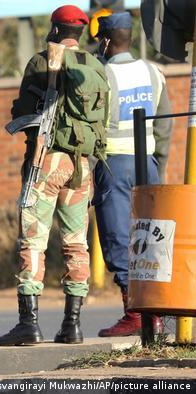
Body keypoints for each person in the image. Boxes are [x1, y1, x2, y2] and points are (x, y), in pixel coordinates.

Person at [0, 5, 109, 346]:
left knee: (33, 240)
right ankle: (72, 324)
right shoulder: (95, 66)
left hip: (47, 159)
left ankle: (28, 324)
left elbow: (23, 110)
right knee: (76, 244)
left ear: (55, 29)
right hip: (82, 164)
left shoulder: (42, 61)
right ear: (81, 31)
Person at [93, 12, 171, 337]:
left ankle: (135, 314)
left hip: (114, 165)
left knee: (117, 236)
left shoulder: (102, 74)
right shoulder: (153, 72)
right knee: (151, 236)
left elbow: (94, 125)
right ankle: (154, 314)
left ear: (108, 40)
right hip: (148, 165)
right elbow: (165, 124)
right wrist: (159, 167)